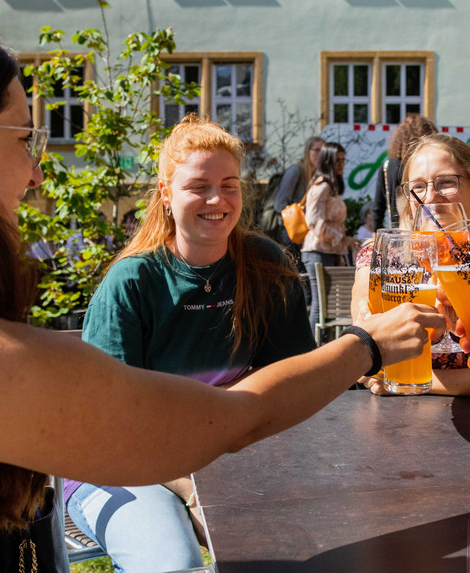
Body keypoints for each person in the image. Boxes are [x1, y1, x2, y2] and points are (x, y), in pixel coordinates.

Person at [0, 12, 442, 572]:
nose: (36, 174)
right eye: (27, 136)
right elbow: (214, 420)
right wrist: (364, 345)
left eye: (228, 186)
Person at [64, 115, 317, 572]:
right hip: (116, 465)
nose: (217, 200)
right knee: (173, 565)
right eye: (198, 186)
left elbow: (294, 386)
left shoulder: (266, 265)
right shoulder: (133, 280)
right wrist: (193, 487)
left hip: (227, 456)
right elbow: (109, 425)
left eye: (229, 184)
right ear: (166, 193)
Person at [352, 133, 470, 397]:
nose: (430, 197)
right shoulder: (382, 254)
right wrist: (364, 320)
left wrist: (419, 385)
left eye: (446, 182)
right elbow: (362, 311)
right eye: (418, 187)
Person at [302, 142, 359, 330]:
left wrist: (345, 240)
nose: (342, 165)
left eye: (343, 160)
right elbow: (313, 220)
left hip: (330, 251)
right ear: (328, 161)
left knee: (331, 306)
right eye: (337, 161)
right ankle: (309, 353)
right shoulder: (322, 186)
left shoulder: (330, 186)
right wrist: (341, 239)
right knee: (321, 306)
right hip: (318, 251)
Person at [370, 113, 437, 229]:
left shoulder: (387, 166)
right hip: (426, 229)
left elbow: (378, 208)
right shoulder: (426, 165)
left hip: (399, 232)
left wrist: (376, 234)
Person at [274, 135, 324, 289]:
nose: (321, 154)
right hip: (292, 234)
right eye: (317, 150)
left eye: (324, 151)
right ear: (307, 151)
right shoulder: (296, 171)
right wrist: (299, 218)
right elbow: (279, 203)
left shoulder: (319, 176)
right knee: (294, 280)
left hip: (309, 236)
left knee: (308, 283)